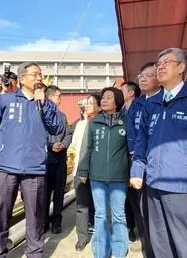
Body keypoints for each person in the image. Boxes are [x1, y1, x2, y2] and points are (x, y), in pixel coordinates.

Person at [0, 62, 65, 258]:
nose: (40, 78)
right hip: (7, 166)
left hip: (35, 168)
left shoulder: (46, 103)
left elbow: (56, 128)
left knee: (35, 215)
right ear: (22, 78)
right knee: (1, 213)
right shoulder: (5, 100)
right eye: (35, 74)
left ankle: (35, 253)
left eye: (41, 74)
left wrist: (43, 104)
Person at [130, 47, 187, 258]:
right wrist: (137, 169)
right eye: (158, 64)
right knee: (160, 244)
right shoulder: (154, 103)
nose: (160, 67)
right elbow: (142, 142)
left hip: (181, 186)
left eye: (166, 62)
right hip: (152, 184)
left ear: (181, 67)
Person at [77, 87, 130, 258]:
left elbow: (130, 150)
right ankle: (101, 251)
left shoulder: (126, 121)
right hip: (97, 177)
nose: (104, 100)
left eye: (109, 97)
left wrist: (131, 174)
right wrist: (83, 170)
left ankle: (119, 250)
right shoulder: (95, 121)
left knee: (118, 215)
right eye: (103, 97)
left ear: (118, 101)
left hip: (119, 177)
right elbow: (87, 148)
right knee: (100, 215)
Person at [125, 62, 160, 258]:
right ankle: (145, 242)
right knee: (139, 206)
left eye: (148, 75)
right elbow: (131, 133)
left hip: (157, 164)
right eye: (141, 75)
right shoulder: (137, 104)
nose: (142, 78)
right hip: (137, 163)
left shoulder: (164, 100)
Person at [69, 93, 100, 251]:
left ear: (99, 106)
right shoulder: (80, 124)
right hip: (79, 172)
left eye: (91, 103)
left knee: (98, 204)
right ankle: (82, 237)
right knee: (81, 205)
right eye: (86, 103)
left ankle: (97, 231)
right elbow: (74, 145)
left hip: (98, 173)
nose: (87, 105)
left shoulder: (102, 124)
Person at [44, 85, 72, 234]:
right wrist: (50, 146)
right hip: (45, 161)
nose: (60, 98)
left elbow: (68, 134)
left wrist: (64, 145)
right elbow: (36, 137)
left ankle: (56, 221)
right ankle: (43, 221)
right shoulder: (40, 114)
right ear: (49, 97)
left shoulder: (62, 116)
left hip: (60, 160)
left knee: (59, 193)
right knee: (44, 193)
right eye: (58, 96)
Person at [120, 80, 140, 245]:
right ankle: (130, 228)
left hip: (137, 158)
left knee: (138, 197)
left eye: (123, 91)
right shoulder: (120, 111)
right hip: (123, 159)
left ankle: (142, 229)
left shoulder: (140, 107)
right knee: (126, 197)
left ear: (131, 92)